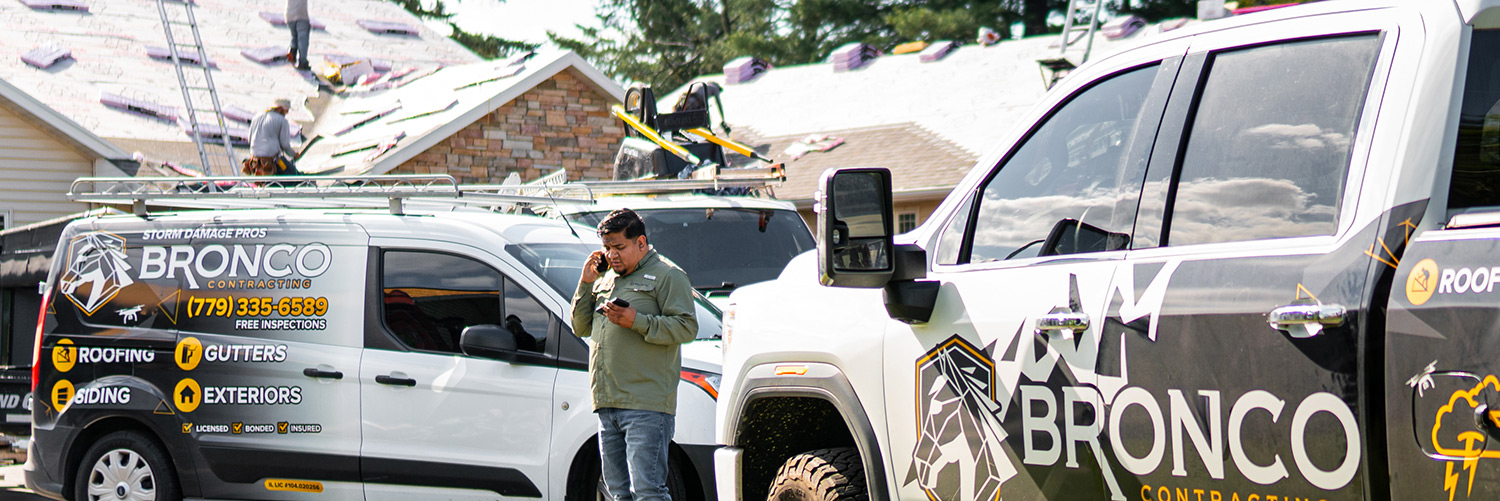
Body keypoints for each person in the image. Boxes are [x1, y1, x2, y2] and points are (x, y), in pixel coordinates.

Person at [570, 209, 697, 501]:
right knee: (617, 493)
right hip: (607, 404)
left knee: (648, 491)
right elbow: (580, 327)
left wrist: (636, 321)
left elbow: (687, 327)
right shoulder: (604, 278)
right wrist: (586, 282)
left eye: (619, 247)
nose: (611, 255)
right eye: (606, 248)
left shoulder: (668, 275)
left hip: (646, 405)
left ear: (641, 243)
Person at [244, 98, 301, 177]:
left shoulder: (256, 117)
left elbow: (250, 139)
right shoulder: (282, 121)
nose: (287, 113)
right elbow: (285, 144)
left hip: (255, 161)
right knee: (294, 175)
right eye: (286, 110)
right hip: (271, 161)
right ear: (280, 109)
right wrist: (294, 154)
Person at [286, 0, 311, 71]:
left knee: (294, 36)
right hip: (301, 15)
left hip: (289, 15)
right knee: (303, 40)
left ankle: (292, 53)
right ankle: (303, 62)